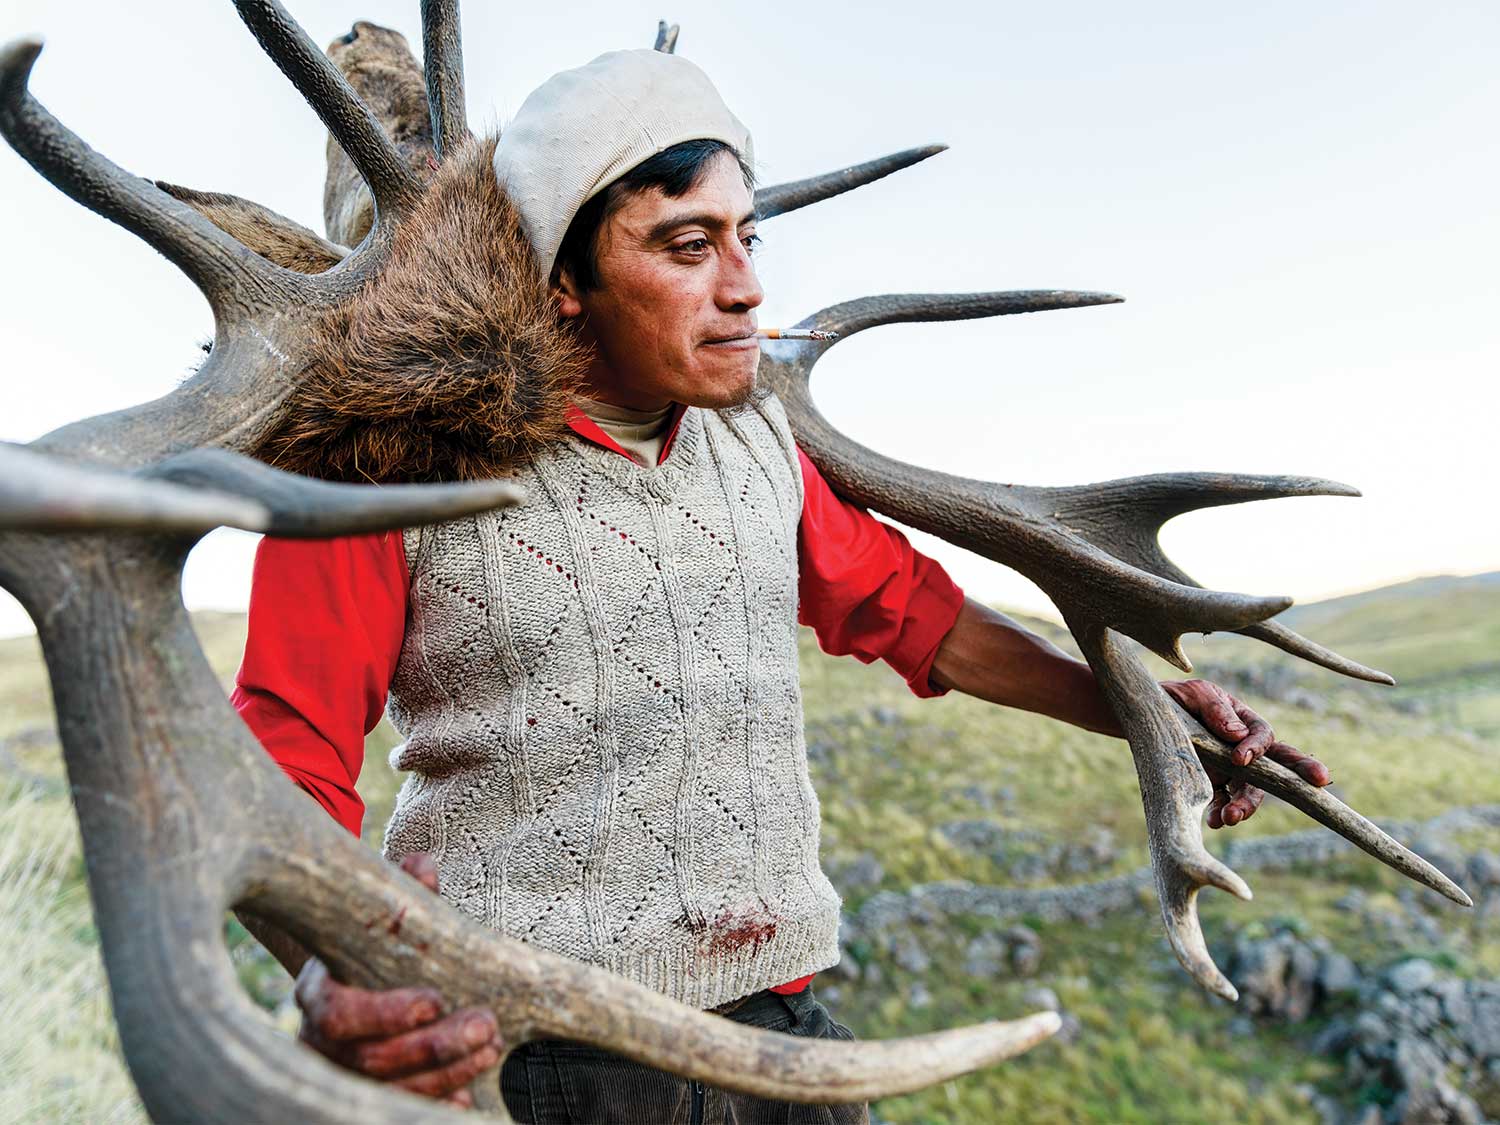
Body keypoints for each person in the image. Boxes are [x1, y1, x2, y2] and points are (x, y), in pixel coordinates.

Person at [231, 48, 1331, 1123]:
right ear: (566, 280)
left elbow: (916, 616)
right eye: (688, 245)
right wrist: (333, 967)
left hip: (786, 1045)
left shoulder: (753, 445)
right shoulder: (386, 466)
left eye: (747, 239)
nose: (747, 288)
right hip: (545, 1068)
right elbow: (285, 756)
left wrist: (1143, 712)